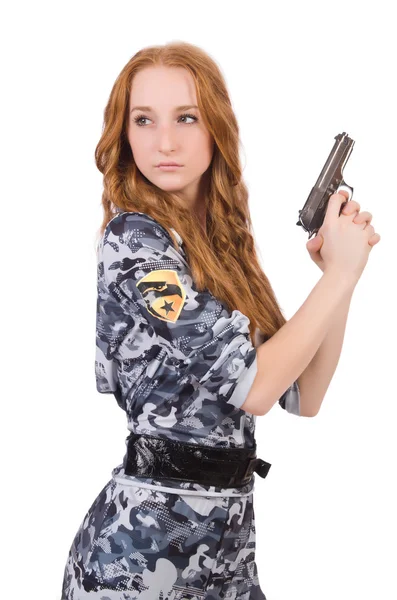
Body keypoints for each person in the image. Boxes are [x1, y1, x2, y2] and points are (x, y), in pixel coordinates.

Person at [61, 42, 380, 600]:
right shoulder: (134, 241)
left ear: (217, 129)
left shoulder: (221, 249)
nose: (165, 141)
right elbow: (254, 388)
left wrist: (340, 276)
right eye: (144, 120)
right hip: (139, 559)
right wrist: (336, 278)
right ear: (124, 134)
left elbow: (303, 395)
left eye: (187, 117)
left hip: (229, 551)